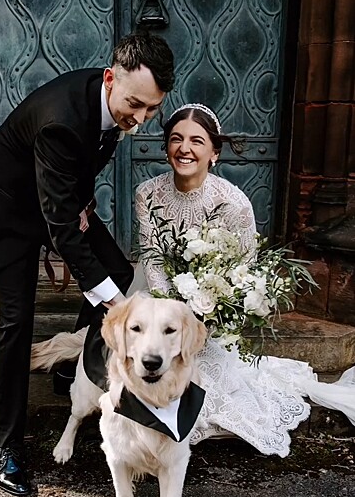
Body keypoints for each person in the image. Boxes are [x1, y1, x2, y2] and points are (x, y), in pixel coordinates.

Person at [0, 32, 175, 497]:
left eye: (151, 109)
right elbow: (59, 226)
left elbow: (70, 180)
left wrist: (77, 203)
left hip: (51, 200)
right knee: (17, 320)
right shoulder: (62, 120)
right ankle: (5, 444)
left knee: (115, 272)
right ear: (111, 79)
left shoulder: (114, 99)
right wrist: (118, 308)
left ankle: (76, 371)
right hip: (4, 212)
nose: (139, 119)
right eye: (135, 105)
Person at [134, 103, 355, 456]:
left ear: (214, 153)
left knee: (206, 385)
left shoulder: (233, 203)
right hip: (159, 301)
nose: (184, 149)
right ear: (166, 147)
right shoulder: (147, 192)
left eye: (196, 141)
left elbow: (244, 270)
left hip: (209, 313)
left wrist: (208, 310)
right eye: (176, 139)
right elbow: (151, 256)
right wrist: (168, 315)